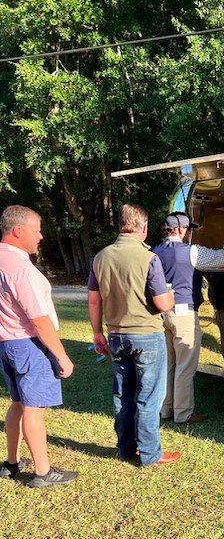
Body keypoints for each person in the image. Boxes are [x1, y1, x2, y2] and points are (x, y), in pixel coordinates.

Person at [88, 204, 180, 467]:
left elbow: (94, 301)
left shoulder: (100, 258)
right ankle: (150, 453)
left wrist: (97, 332)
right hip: (147, 335)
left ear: (120, 225)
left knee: (123, 395)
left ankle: (126, 448)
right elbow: (162, 303)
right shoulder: (149, 258)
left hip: (116, 335)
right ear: (144, 227)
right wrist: (173, 295)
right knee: (149, 397)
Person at [152, 211, 224, 423]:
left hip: (161, 314)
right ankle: (182, 414)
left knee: (169, 364)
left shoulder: (154, 251)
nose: (190, 233)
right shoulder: (190, 251)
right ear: (181, 230)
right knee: (185, 366)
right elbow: (221, 258)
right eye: (188, 229)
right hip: (184, 313)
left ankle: (166, 410)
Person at [0, 205, 77, 488]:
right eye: (37, 230)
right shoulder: (20, 268)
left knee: (18, 403)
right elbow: (40, 320)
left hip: (6, 344)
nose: (41, 237)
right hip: (28, 344)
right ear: (18, 231)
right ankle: (43, 473)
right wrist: (62, 356)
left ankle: (11, 462)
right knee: (34, 408)